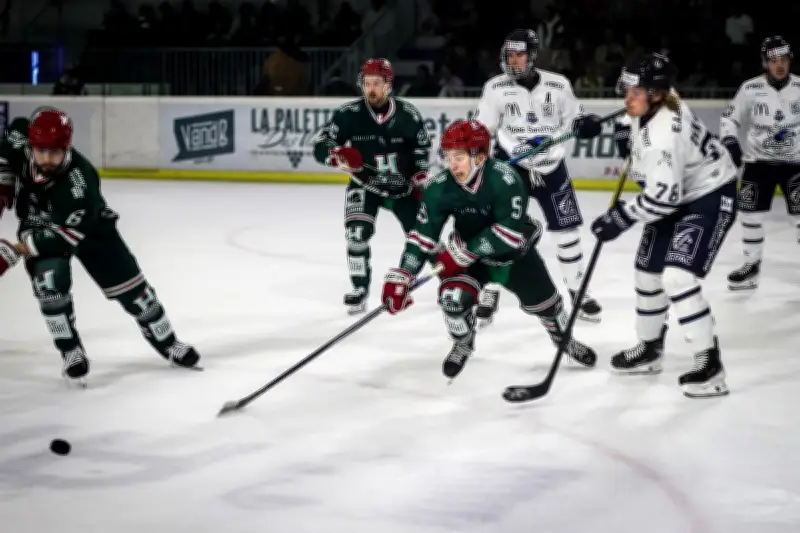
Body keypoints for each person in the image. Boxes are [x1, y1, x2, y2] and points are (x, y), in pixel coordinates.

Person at [380, 119, 597, 379]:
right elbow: (422, 237)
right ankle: (463, 342)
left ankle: (563, 339)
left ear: (481, 157)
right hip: (472, 262)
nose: (452, 164)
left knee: (550, 308)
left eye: (459, 156)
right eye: (448, 156)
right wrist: (404, 274)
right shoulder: (438, 188)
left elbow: (508, 234)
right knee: (451, 300)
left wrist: (460, 253)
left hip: (513, 257)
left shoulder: (506, 180)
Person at [0, 109, 201, 385]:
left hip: (90, 229)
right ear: (31, 145)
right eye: (41, 151)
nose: (46, 159)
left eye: (55, 152)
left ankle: (169, 343)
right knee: (49, 283)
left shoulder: (80, 182)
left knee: (136, 294)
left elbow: (65, 236)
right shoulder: (21, 143)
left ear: (67, 147)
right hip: (38, 223)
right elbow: (15, 130)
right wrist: (4, 178)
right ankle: (71, 352)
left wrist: (17, 250)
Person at [592, 54, 737, 398]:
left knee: (677, 276)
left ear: (656, 95)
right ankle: (649, 349)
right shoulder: (655, 103)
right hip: (677, 192)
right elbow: (634, 128)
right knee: (647, 271)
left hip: (709, 194)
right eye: (625, 89)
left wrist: (620, 217)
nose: (627, 98)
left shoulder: (664, 135)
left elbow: (663, 199)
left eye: (635, 91)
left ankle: (710, 364)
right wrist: (604, 128)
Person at [472, 29, 606, 326]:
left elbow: (575, 120)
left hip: (551, 168)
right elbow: (483, 129)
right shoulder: (495, 88)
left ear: (533, 55)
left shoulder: (558, 85)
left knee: (567, 235)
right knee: (497, 230)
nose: (513, 60)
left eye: (519, 54)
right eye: (509, 54)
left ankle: (578, 291)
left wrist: (586, 125)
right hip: (511, 168)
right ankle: (490, 289)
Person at [312, 58, 432, 315]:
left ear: (388, 85)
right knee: (356, 235)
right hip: (364, 185)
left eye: (377, 83)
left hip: (402, 188)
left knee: (424, 238)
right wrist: (335, 156)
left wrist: (420, 176)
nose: (371, 89)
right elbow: (320, 145)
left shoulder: (408, 114)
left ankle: (445, 279)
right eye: (367, 83)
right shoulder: (348, 114)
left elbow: (421, 149)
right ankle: (359, 287)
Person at [720, 36, 800, 290]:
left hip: (795, 165)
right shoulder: (750, 88)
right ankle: (751, 267)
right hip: (758, 163)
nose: (779, 65)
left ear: (790, 61)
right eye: (773, 60)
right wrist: (731, 142)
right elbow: (729, 119)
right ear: (765, 62)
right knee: (750, 216)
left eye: (783, 60)